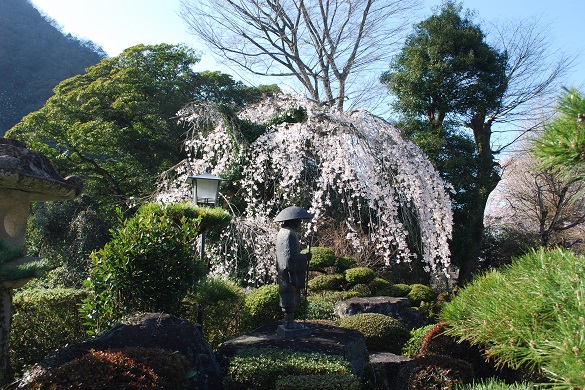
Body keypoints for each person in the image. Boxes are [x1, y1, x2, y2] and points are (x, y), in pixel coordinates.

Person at [274, 206, 313, 329]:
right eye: (299, 220)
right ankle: (289, 323)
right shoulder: (290, 234)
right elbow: (291, 257)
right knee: (290, 296)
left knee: (287, 295)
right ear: (292, 220)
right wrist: (305, 258)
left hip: (283, 270)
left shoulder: (282, 232)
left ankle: (288, 321)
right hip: (289, 271)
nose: (300, 223)